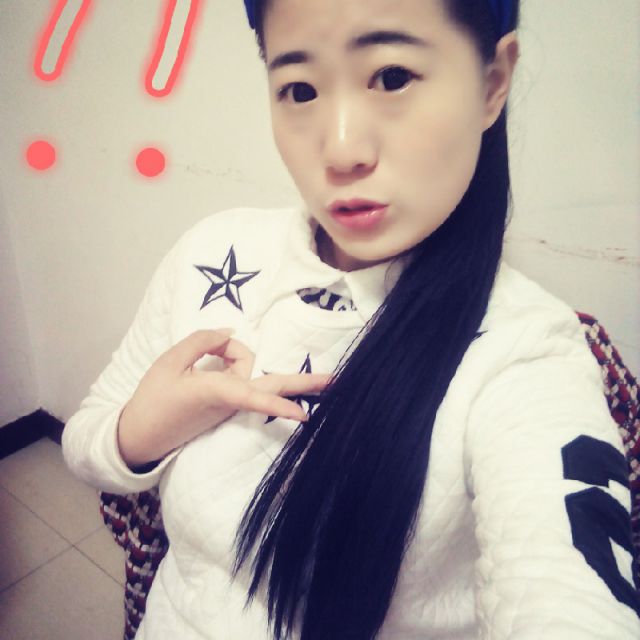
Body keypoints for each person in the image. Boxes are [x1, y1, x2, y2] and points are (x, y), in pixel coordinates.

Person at [62, 0, 640, 638]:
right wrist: (143, 432)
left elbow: (568, 597)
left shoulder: (527, 351)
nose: (340, 151)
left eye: (392, 77)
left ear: (492, 83)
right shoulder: (214, 250)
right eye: (300, 89)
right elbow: (86, 443)